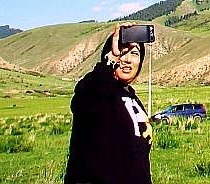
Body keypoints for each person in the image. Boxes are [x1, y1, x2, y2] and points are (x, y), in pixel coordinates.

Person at [65, 22, 153, 184]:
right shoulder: (99, 91)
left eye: (134, 53)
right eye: (121, 52)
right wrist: (110, 59)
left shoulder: (132, 98)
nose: (127, 60)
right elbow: (83, 99)